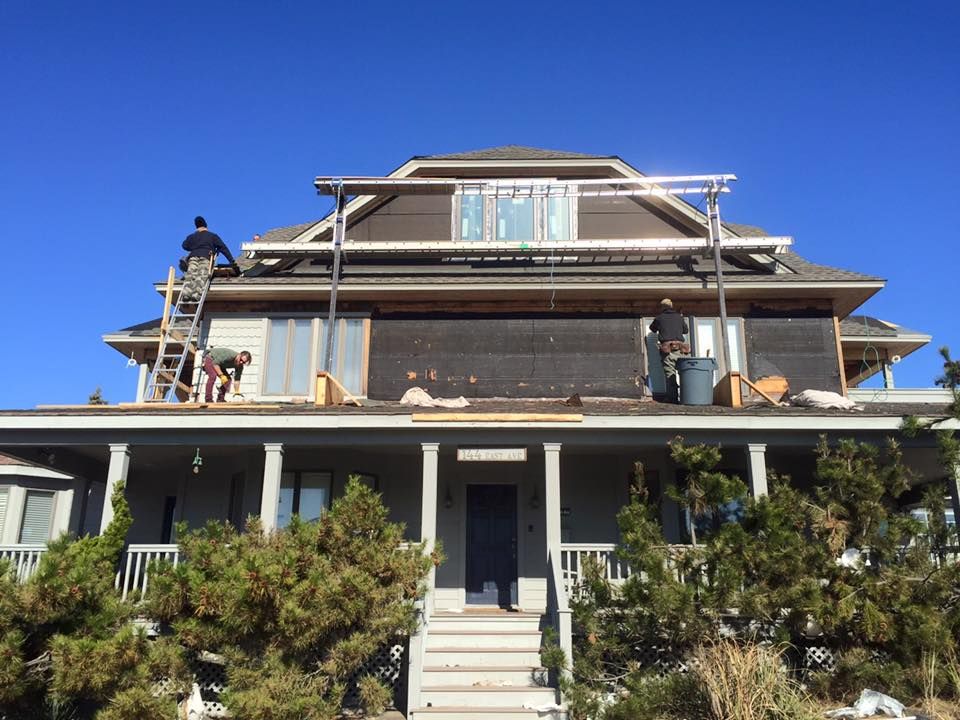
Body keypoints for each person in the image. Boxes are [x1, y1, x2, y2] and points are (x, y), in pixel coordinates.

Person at [181, 216, 239, 301]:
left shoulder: (191, 237)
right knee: (201, 275)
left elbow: (184, 246)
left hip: (193, 257)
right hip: (206, 257)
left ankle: (186, 294)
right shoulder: (212, 236)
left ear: (197, 226)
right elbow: (223, 248)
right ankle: (196, 295)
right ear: (206, 226)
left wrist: (194, 246)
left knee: (190, 275)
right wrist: (231, 261)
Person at [649, 298, 690, 403]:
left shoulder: (659, 318)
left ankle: (673, 398)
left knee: (670, 374)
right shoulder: (679, 317)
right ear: (671, 306)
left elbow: (652, 329)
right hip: (681, 350)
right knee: (685, 373)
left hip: (668, 350)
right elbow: (685, 330)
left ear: (662, 307)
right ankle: (688, 397)